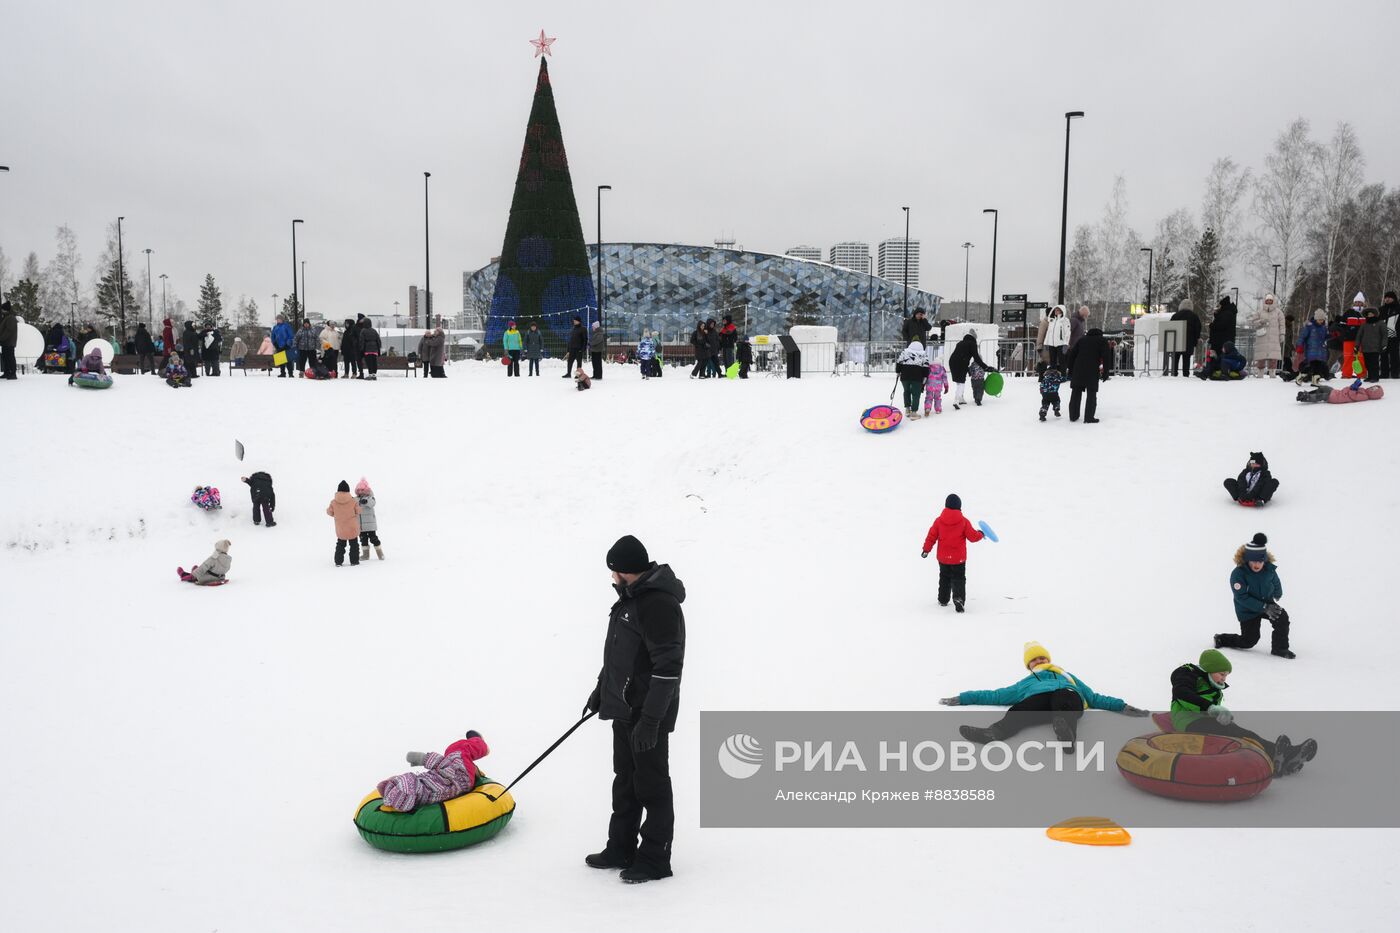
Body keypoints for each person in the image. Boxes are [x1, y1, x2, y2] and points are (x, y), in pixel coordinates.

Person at [583, 535, 686, 884]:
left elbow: (667, 667)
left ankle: (655, 859)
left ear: (625, 571)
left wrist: (651, 720)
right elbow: (620, 657)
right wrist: (602, 690)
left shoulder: (657, 604)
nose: (612, 579)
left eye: (614, 572)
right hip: (625, 710)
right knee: (625, 781)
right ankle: (621, 847)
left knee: (651, 785)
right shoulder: (630, 600)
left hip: (647, 716)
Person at [939, 641, 1148, 743]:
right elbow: (995, 695)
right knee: (1020, 708)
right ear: (1029, 665)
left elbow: (1093, 698)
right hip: (1040, 702)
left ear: (1048, 659)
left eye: (1042, 658)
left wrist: (1122, 706)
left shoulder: (1067, 676)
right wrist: (963, 698)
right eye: (1035, 659)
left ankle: (1066, 733)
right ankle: (993, 732)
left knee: (1062, 698)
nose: (1040, 661)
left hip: (1068, 698)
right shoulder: (1025, 684)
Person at [1170, 649, 1316, 776]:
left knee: (1243, 733)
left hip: (1204, 720)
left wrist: (1218, 714)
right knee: (1240, 736)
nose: (1223, 678)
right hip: (1187, 721)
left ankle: (1287, 756)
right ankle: (1275, 758)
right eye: (1221, 674)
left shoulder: (1212, 683)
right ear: (1209, 669)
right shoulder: (1187, 673)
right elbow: (1181, 693)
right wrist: (1211, 708)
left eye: (1226, 675)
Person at [1215, 532, 1294, 659]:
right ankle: (1222, 639)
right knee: (1249, 640)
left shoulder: (1269, 569)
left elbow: (1275, 581)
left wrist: (1278, 593)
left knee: (1282, 618)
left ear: (1265, 560)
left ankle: (1280, 649)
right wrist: (1264, 607)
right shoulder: (1238, 574)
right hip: (1247, 609)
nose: (1257, 564)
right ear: (1247, 559)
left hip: (1267, 603)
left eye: (1260, 561)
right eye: (1253, 561)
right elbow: (1241, 597)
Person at [378, 731, 489, 812]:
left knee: (452, 755)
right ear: (409, 784)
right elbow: (442, 766)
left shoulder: (424, 794)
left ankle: (473, 763)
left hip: (457, 779)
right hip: (459, 775)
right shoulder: (422, 786)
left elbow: (439, 773)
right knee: (457, 749)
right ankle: (480, 744)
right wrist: (424, 758)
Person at [920, 493, 985, 612]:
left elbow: (931, 536)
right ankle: (958, 598)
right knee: (958, 578)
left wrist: (926, 549)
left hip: (943, 558)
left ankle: (943, 599)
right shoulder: (964, 521)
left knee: (944, 577)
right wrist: (981, 534)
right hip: (958, 559)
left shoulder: (939, 521)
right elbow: (973, 537)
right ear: (959, 506)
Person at [1062, 326, 1112, 423]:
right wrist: (1106, 373)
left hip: (1078, 368)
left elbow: (1072, 354)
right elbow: (1106, 357)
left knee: (1076, 392)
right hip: (1092, 369)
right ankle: (1089, 417)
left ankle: (1073, 416)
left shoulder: (1082, 339)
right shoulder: (1102, 340)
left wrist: (1071, 370)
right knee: (1091, 393)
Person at [947, 333, 996, 410]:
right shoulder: (972, 344)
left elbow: (959, 354)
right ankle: (956, 400)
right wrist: (985, 367)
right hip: (961, 362)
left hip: (952, 361)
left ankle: (960, 399)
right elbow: (976, 358)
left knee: (959, 382)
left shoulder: (960, 343)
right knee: (961, 383)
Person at [326, 480, 362, 566]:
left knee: (340, 545)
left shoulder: (333, 502)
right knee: (354, 545)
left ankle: (338, 562)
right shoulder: (353, 501)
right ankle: (354, 561)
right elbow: (359, 511)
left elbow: (330, 512)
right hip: (352, 528)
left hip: (341, 528)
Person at [1166, 298, 1202, 376]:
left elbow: (1170, 327)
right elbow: (1198, 328)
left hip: (1176, 340)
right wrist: (1196, 339)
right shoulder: (1194, 316)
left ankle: (1174, 373)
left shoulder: (1176, 315)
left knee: (1175, 358)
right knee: (1186, 359)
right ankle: (1186, 374)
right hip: (1189, 341)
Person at [1295, 309, 1331, 385]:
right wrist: (1299, 345)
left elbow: (1324, 337)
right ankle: (1300, 377)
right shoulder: (1309, 327)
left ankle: (1315, 381)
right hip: (1311, 350)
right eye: (1319, 319)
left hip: (1320, 350)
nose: (1321, 321)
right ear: (1315, 319)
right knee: (1311, 365)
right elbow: (1302, 337)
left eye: (1322, 319)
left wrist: (1332, 335)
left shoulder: (1323, 328)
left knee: (1318, 366)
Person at [895, 340, 930, 417]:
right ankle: (914, 412)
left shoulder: (905, 352)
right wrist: (925, 377)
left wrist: (898, 371)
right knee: (916, 394)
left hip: (905, 376)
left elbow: (899, 362)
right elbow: (926, 366)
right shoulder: (923, 354)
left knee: (906, 391)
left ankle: (907, 409)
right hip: (917, 376)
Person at [1252, 294, 1285, 375]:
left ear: (1273, 301)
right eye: (1267, 300)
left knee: (1273, 357)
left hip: (1274, 338)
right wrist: (1260, 322)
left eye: (1271, 300)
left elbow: (1282, 324)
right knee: (1261, 356)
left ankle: (1272, 373)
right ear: (1265, 301)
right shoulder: (1259, 311)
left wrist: (1282, 334)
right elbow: (1253, 322)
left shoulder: (1279, 312)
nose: (1269, 301)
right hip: (1262, 337)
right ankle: (1260, 373)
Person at [1354, 306, 1387, 384]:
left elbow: (1384, 335)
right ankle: (1370, 376)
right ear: (1366, 315)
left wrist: (1384, 345)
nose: (1370, 315)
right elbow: (1359, 335)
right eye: (1368, 314)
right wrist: (1356, 345)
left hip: (1375, 347)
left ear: (1375, 314)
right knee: (1367, 363)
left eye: (1371, 314)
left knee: (1374, 363)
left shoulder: (1380, 323)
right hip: (1365, 348)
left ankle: (1375, 377)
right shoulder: (1364, 324)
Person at [354, 477, 383, 560]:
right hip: (361, 525)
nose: (360, 492)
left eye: (362, 490)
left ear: (366, 490)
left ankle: (380, 554)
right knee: (363, 540)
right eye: (358, 490)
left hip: (370, 525)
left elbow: (372, 503)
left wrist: (365, 501)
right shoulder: (356, 499)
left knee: (374, 539)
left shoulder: (370, 497)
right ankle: (366, 555)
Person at [1341, 293, 1366, 378]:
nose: (1358, 303)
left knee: (1361, 358)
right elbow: (1342, 325)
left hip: (1362, 340)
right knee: (1348, 357)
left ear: (1363, 303)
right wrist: (1345, 333)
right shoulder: (1348, 313)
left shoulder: (1365, 313)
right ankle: (1346, 374)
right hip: (1349, 339)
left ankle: (1362, 374)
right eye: (1356, 302)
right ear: (1353, 303)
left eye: (1360, 302)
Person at [1381, 291, 1399, 379]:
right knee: (1383, 356)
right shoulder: (1381, 309)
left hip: (1395, 337)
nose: (1387, 299)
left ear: (1394, 298)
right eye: (1386, 297)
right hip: (1383, 337)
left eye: (1389, 297)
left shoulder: (1398, 308)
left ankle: (1395, 374)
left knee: (1394, 356)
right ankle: (1384, 374)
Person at [1, 300, 19, 380]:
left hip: (9, 342)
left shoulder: (10, 318)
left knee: (10, 357)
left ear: (6, 309)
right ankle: (7, 372)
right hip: (5, 342)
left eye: (2, 309)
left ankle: (12, 373)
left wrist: (1, 338)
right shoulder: (7, 317)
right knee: (5, 357)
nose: (1, 311)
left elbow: (9, 330)